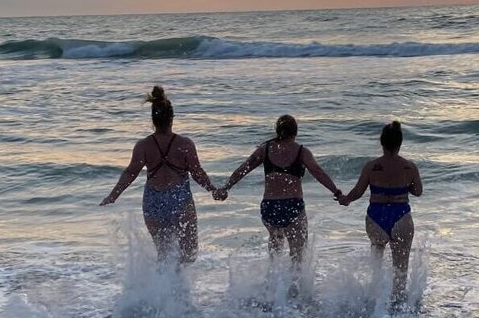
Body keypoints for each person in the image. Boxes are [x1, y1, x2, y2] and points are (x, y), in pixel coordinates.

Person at [100, 85, 225, 262]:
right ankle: (180, 288)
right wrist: (213, 190)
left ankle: (162, 287)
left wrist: (113, 196)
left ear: (153, 120)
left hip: (153, 200)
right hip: (179, 198)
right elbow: (197, 173)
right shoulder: (185, 144)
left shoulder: (143, 145)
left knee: (164, 254)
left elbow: (130, 173)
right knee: (188, 254)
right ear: (172, 118)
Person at [223, 114, 342, 264]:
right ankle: (294, 287)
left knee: (275, 250)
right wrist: (337, 192)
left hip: (270, 207)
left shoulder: (265, 149)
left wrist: (225, 188)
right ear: (295, 132)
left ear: (277, 130)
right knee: (297, 256)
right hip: (293, 206)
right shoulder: (301, 151)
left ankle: (273, 284)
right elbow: (318, 173)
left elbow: (243, 169)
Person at [339, 120, 422, 305]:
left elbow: (358, 192)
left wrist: (345, 200)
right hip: (401, 215)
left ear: (382, 143)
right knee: (400, 267)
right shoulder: (409, 167)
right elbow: (418, 192)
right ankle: (397, 307)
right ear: (400, 143)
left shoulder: (371, 166)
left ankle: (375, 299)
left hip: (376, 217)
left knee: (376, 256)